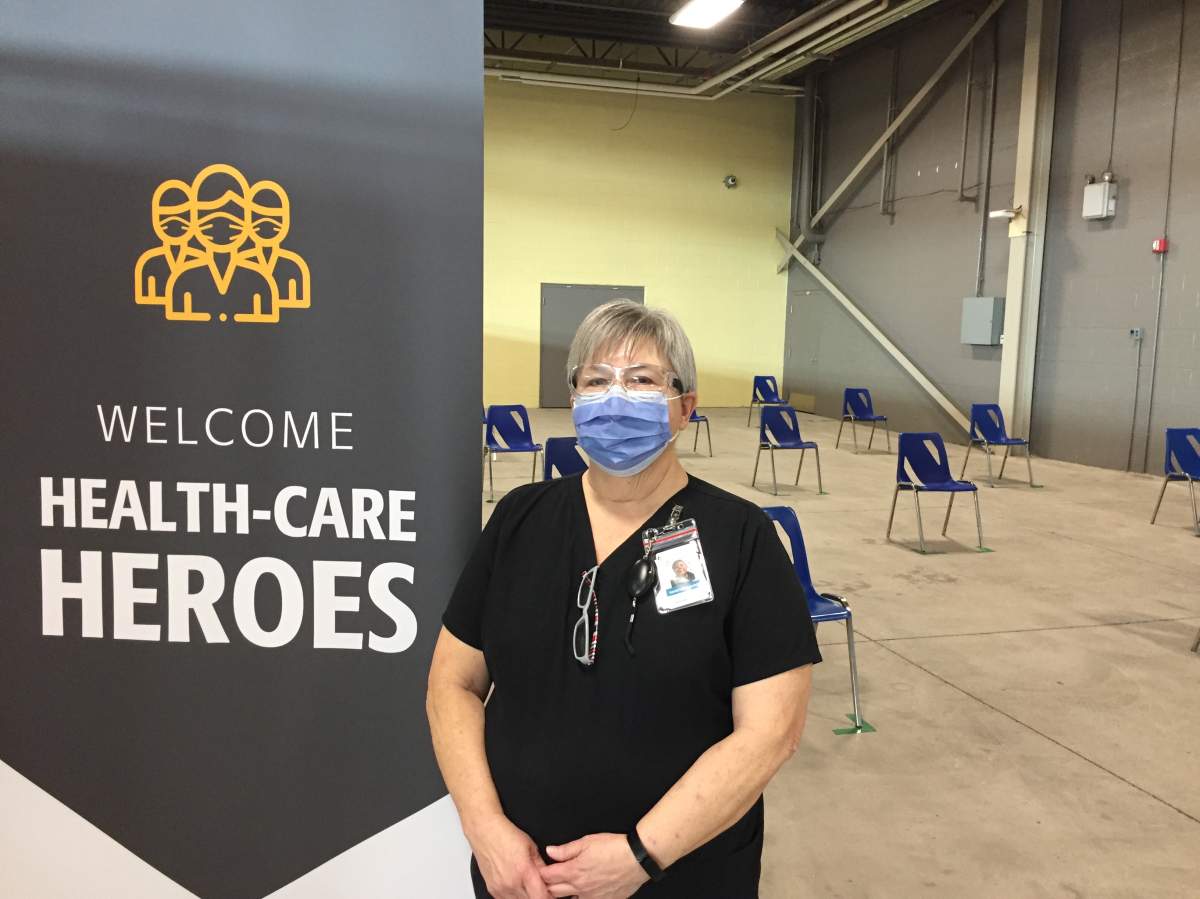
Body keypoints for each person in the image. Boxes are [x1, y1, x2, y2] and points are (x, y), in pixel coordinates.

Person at [427, 300, 821, 899]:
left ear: (685, 406)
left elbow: (772, 732)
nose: (615, 397)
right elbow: (451, 684)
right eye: (596, 380)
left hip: (682, 875)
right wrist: (484, 829)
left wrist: (641, 854)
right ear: (575, 401)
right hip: (521, 876)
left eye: (641, 381)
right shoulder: (518, 521)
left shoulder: (741, 539)